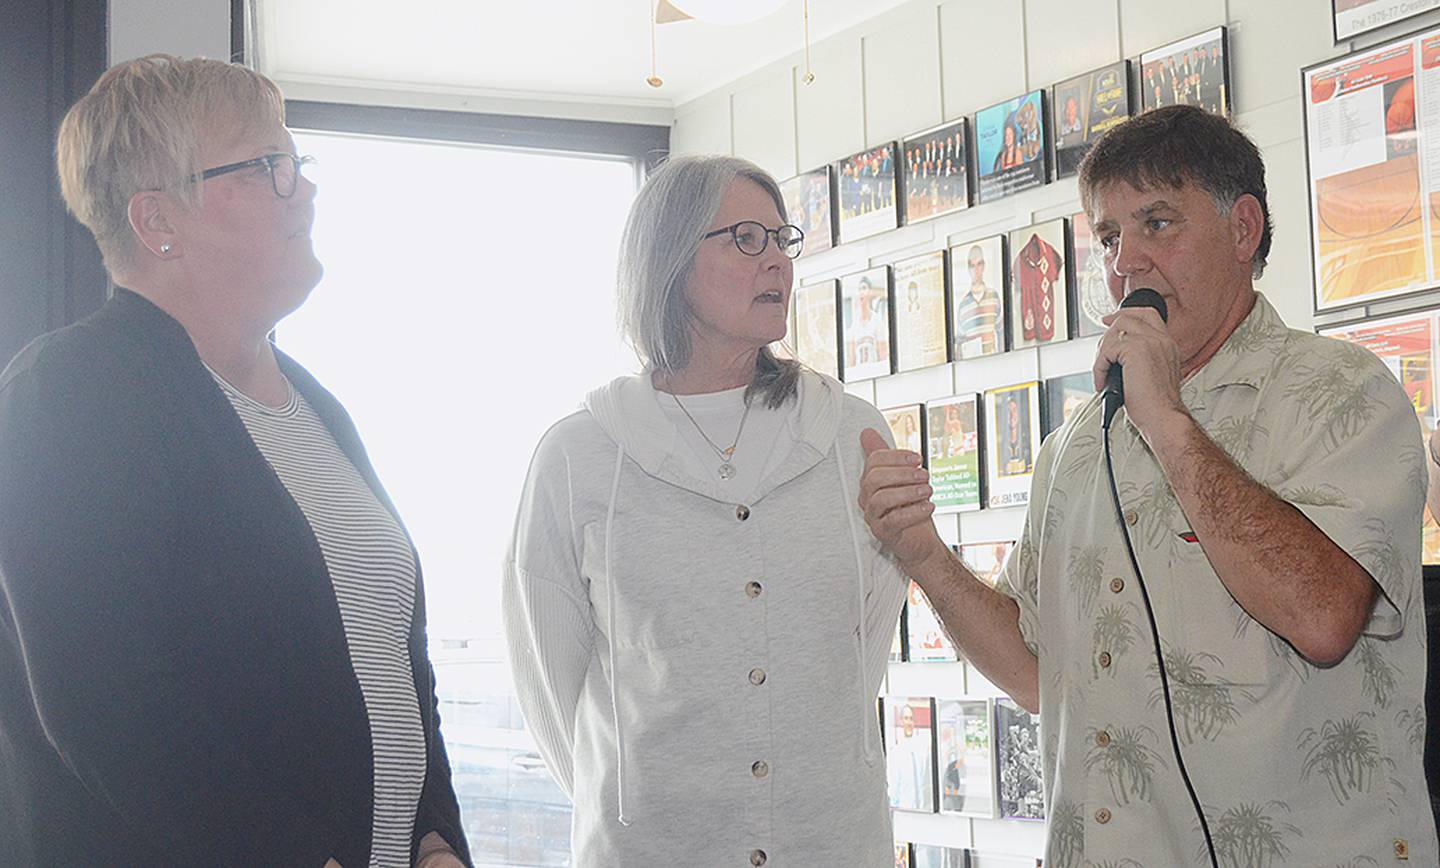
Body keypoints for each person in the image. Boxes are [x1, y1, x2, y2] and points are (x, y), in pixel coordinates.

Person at [856, 105, 1437, 865]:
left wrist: (1165, 419)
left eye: (1156, 223)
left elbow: (1323, 615)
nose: (1125, 262)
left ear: (1243, 229)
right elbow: (1037, 675)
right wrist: (923, 555)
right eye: (1107, 237)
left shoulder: (1340, 391)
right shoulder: (1074, 443)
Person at [0, 55, 470, 867]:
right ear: (157, 221)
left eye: (297, 163)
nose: (306, 189)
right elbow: (103, 700)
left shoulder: (319, 406)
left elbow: (397, 665)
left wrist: (435, 836)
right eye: (268, 168)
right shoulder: (70, 390)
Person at [503, 154, 908, 866]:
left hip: (831, 845)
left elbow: (856, 653)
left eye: (783, 239)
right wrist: (641, 802)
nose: (776, 263)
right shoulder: (581, 457)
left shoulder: (850, 434)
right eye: (746, 238)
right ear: (668, 260)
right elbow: (549, 686)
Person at [953, 244, 1002, 358]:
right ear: (968, 269)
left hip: (994, 360)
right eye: (972, 265)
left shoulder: (993, 297)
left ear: (983, 266)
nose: (976, 270)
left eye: (979, 264)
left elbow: (1001, 331)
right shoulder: (963, 305)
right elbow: (960, 342)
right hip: (973, 364)